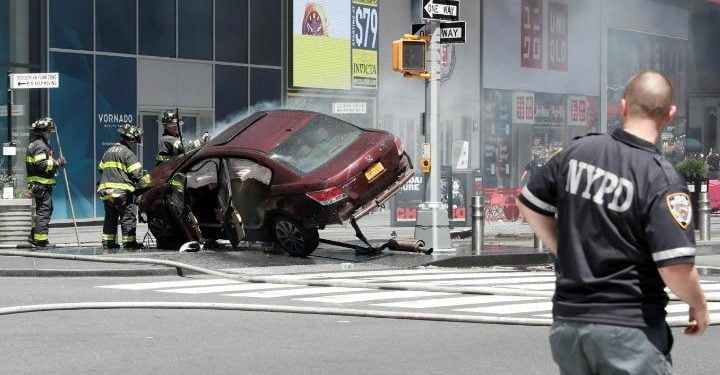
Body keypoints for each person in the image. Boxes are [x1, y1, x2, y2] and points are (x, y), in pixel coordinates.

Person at [517, 71, 709, 374]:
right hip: (628, 327)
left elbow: (529, 203)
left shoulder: (577, 152)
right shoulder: (660, 178)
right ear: (670, 115)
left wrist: (562, 248)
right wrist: (698, 304)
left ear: (623, 107)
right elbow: (675, 267)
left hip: (569, 326)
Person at [97, 124, 148, 250]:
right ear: (131, 139)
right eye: (135, 141)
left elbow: (100, 169)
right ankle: (129, 244)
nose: (135, 144)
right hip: (122, 194)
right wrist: (147, 182)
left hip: (106, 194)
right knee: (128, 217)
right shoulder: (128, 154)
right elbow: (137, 175)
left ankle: (108, 243)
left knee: (110, 217)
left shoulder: (108, 151)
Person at [26, 117, 66, 247]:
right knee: (44, 210)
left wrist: (53, 168)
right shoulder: (40, 145)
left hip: (39, 185)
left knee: (41, 211)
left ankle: (33, 236)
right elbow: (40, 164)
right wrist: (57, 163)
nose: (50, 134)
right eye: (48, 131)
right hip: (41, 185)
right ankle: (40, 240)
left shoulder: (36, 144)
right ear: (42, 132)